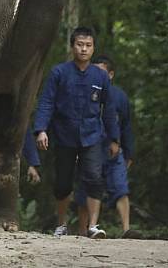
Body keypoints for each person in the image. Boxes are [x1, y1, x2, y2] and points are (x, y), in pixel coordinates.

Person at [33, 27, 119, 239]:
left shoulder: (100, 76)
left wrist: (114, 138)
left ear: (93, 48)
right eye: (80, 45)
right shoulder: (59, 73)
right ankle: (61, 224)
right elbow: (46, 102)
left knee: (94, 178)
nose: (84, 49)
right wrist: (41, 129)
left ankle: (93, 225)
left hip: (92, 135)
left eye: (88, 45)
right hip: (64, 134)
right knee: (63, 182)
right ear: (72, 47)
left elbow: (108, 109)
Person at [74, 55, 137, 238]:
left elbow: (125, 125)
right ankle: (84, 230)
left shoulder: (119, 97)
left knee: (120, 188)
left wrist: (128, 152)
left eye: (101, 71)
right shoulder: (85, 92)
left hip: (113, 151)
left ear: (110, 74)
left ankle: (126, 229)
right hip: (89, 148)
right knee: (86, 188)